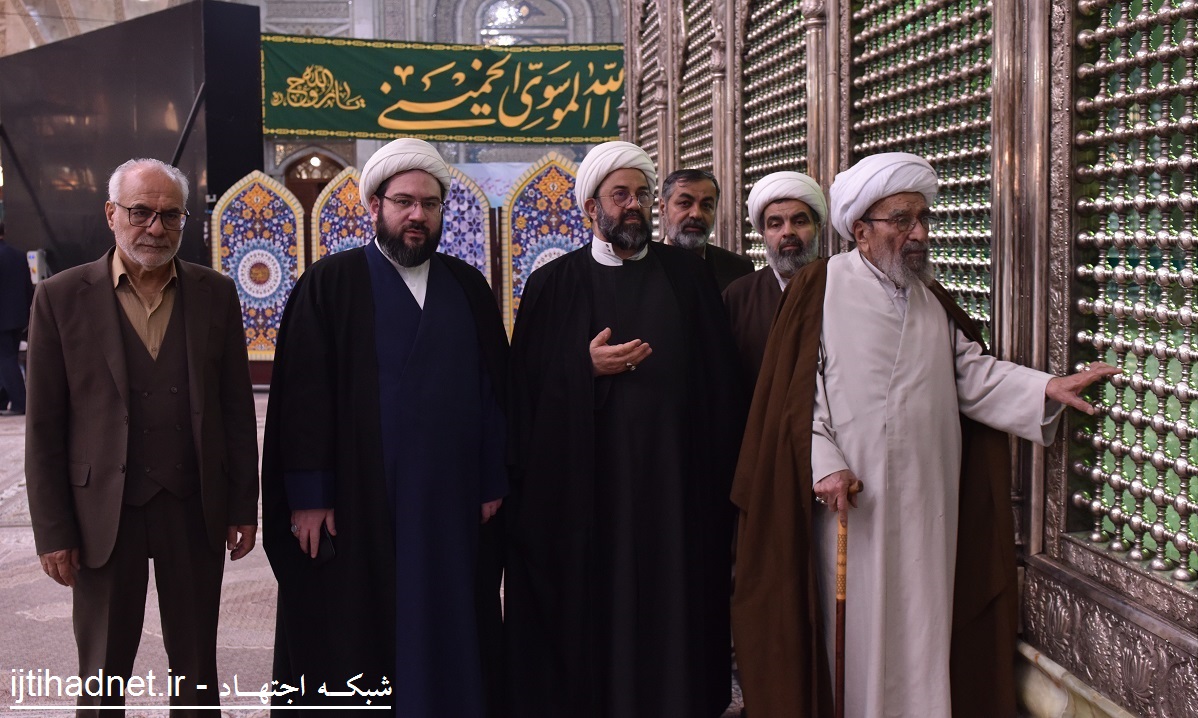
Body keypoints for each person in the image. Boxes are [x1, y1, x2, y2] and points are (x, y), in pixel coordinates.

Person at [730, 152, 1118, 718]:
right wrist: (825, 463)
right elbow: (796, 398)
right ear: (861, 230)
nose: (918, 232)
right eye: (902, 220)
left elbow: (971, 374)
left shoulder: (929, 296)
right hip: (851, 502)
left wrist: (1046, 388)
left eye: (922, 218)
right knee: (860, 631)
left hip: (928, 502)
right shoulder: (820, 286)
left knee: (922, 623)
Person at [261, 138, 509, 715]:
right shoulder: (331, 283)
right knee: (358, 631)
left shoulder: (468, 287)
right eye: (404, 202)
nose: (417, 215)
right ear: (374, 206)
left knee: (451, 622)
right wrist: (310, 497)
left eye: (430, 204)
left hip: (450, 505)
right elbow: (303, 399)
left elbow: (493, 391)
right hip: (359, 504)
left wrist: (491, 480)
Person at [505, 141, 746, 718]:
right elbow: (522, 392)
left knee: (675, 607)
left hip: (675, 492)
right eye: (620, 195)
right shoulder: (553, 284)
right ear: (592, 208)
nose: (633, 205)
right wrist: (582, 368)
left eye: (641, 194)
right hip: (588, 497)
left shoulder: (688, 277)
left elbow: (720, 385)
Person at [24, 158, 259, 716]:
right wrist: (53, 530)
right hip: (102, 514)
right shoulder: (60, 297)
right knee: (102, 670)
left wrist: (242, 505)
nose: (155, 227)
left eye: (170, 215)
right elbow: (44, 427)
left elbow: (235, 409)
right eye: (140, 212)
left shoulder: (216, 293)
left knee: (197, 667)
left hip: (192, 504)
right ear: (111, 213)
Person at [723, 171, 826, 387]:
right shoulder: (739, 296)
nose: (788, 232)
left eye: (799, 221)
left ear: (817, 227)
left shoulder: (842, 284)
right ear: (763, 233)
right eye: (775, 224)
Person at [659, 168, 753, 290]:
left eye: (706, 205)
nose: (696, 214)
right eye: (685, 203)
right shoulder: (642, 268)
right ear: (663, 208)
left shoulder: (740, 271)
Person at [0, 222, 33, 415]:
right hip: (18, 316)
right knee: (9, 357)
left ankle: (20, 402)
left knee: (5, 360)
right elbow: (27, 287)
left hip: (2, 319)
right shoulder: (19, 255)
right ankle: (3, 400)